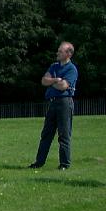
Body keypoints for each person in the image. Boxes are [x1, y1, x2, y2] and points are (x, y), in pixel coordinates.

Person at [29, 42, 78, 170]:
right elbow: (43, 80)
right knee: (46, 134)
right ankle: (39, 162)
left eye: (60, 51)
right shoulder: (54, 66)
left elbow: (64, 86)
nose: (57, 53)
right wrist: (56, 80)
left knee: (63, 134)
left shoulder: (71, 69)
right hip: (53, 102)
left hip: (64, 103)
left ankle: (64, 164)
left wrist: (51, 82)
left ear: (68, 54)